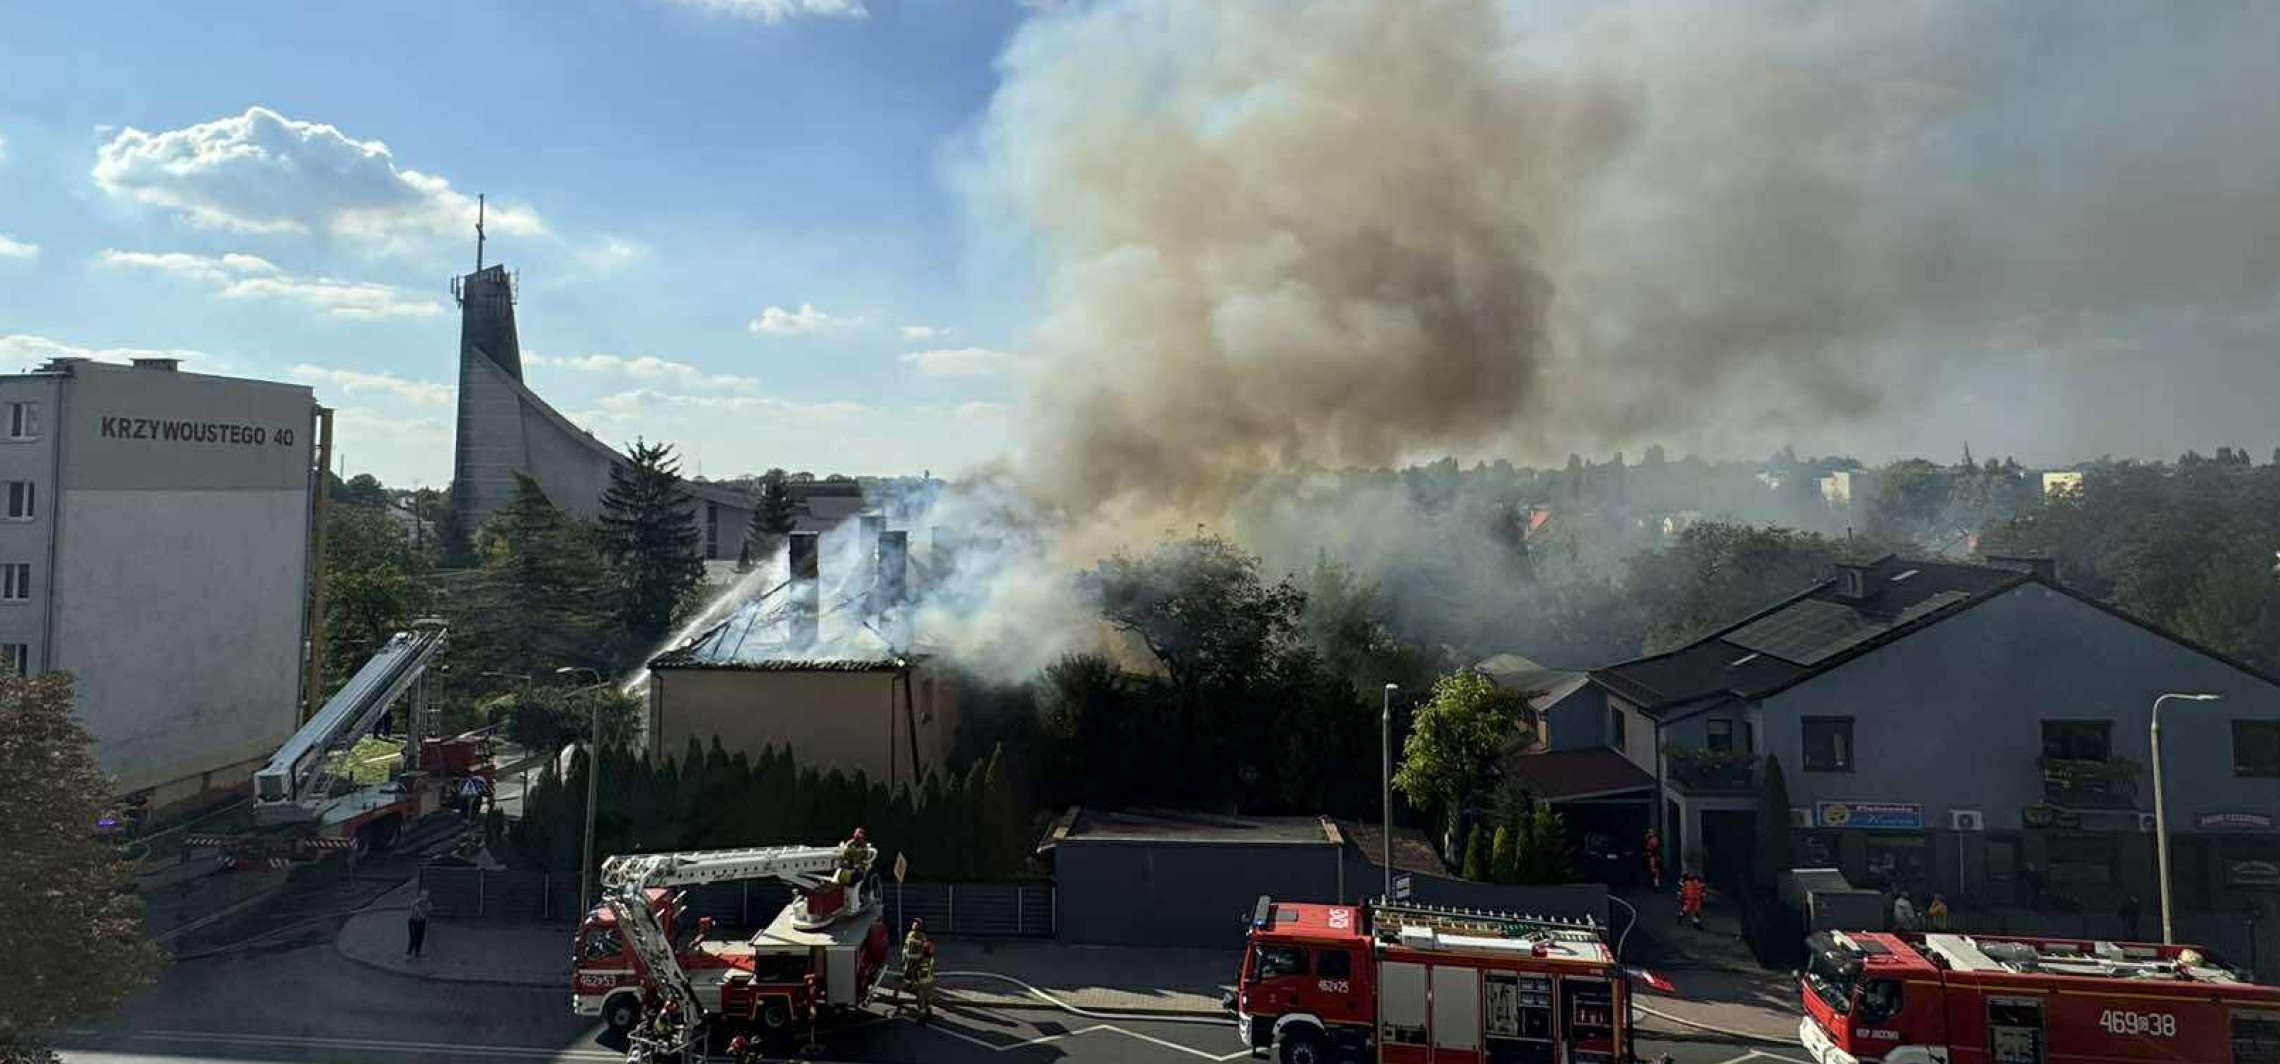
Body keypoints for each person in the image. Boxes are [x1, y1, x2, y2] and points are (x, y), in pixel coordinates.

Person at [901, 918, 935, 1021]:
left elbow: (916, 967)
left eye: (916, 924)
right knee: (928, 992)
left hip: (920, 974)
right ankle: (928, 1010)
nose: (914, 925)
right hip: (927, 977)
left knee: (920, 993)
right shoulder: (929, 958)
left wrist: (913, 979)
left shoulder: (921, 957)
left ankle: (922, 1014)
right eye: (914, 923)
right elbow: (906, 948)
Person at [405, 890, 433, 958]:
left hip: (422, 922)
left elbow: (430, 908)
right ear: (420, 896)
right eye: (423, 896)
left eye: (426, 896)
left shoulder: (428, 903)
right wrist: (418, 909)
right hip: (413, 921)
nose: (425, 897)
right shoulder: (416, 902)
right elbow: (412, 906)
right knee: (413, 938)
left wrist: (426, 910)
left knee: (420, 937)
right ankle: (408, 954)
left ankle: (418, 952)